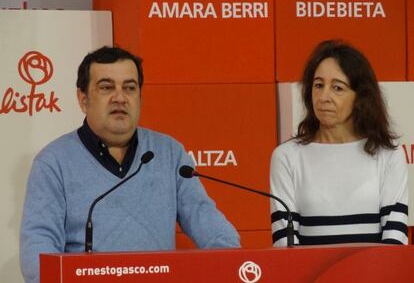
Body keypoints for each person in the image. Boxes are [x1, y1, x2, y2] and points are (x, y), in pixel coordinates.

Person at [20, 46, 240, 282]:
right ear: (83, 99)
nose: (120, 97)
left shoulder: (168, 152)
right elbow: (38, 252)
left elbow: (206, 220)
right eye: (106, 87)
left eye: (129, 88)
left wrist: (231, 265)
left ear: (140, 97)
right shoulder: (54, 162)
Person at [270, 40, 408, 246]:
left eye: (337, 88)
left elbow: (395, 241)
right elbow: (285, 244)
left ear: (360, 97)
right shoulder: (286, 157)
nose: (324, 97)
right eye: (318, 85)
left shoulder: (388, 155)